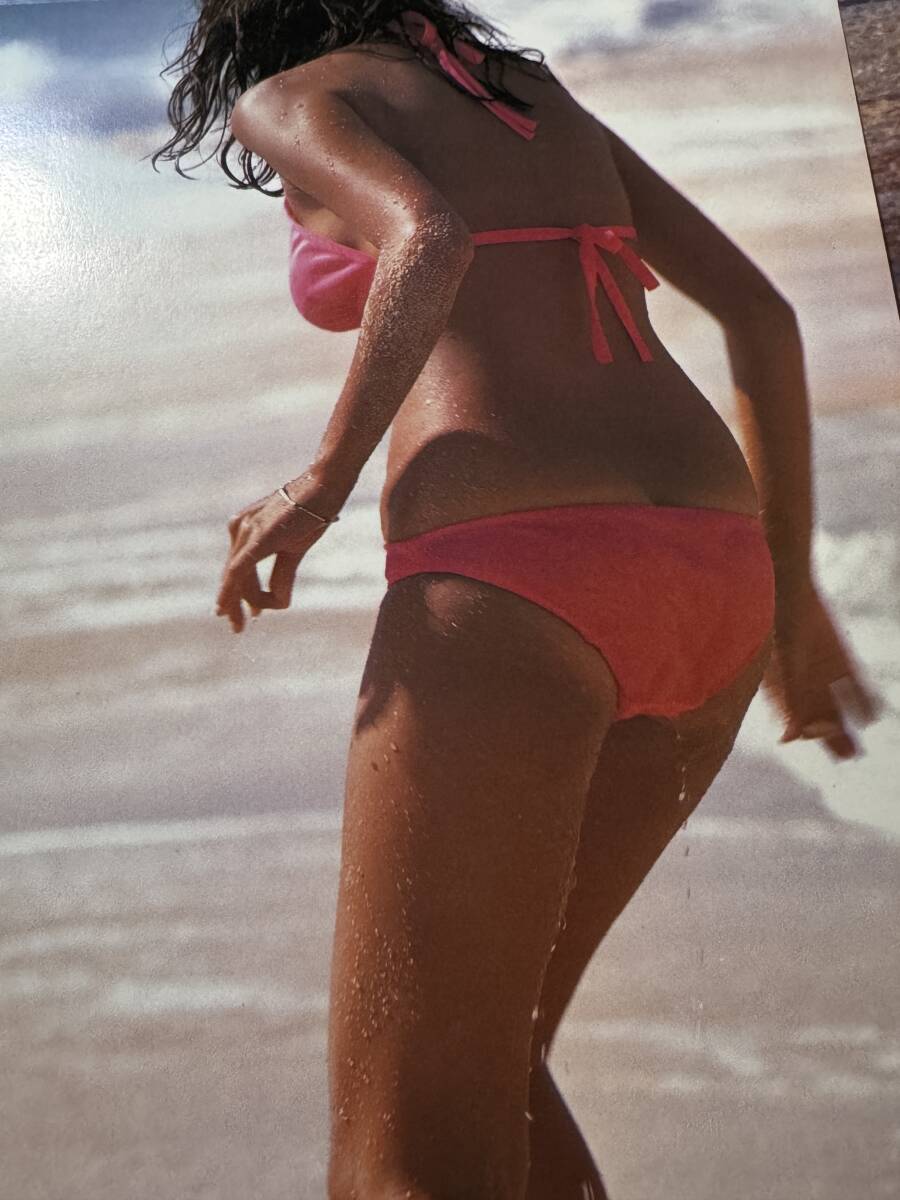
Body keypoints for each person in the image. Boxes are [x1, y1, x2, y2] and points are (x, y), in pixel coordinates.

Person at [152, 3, 880, 1197]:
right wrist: (792, 611)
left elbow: (428, 240)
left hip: (518, 581)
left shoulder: (294, 99)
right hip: (717, 576)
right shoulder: (528, 90)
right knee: (502, 1073)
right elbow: (761, 315)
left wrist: (319, 487)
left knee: (401, 1156)